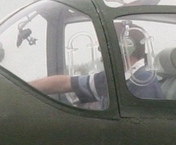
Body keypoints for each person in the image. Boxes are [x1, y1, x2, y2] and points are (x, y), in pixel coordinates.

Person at [28, 22, 164, 105]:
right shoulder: (115, 79)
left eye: (104, 49)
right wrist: (21, 88)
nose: (102, 56)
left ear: (127, 47)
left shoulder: (143, 82)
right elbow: (64, 83)